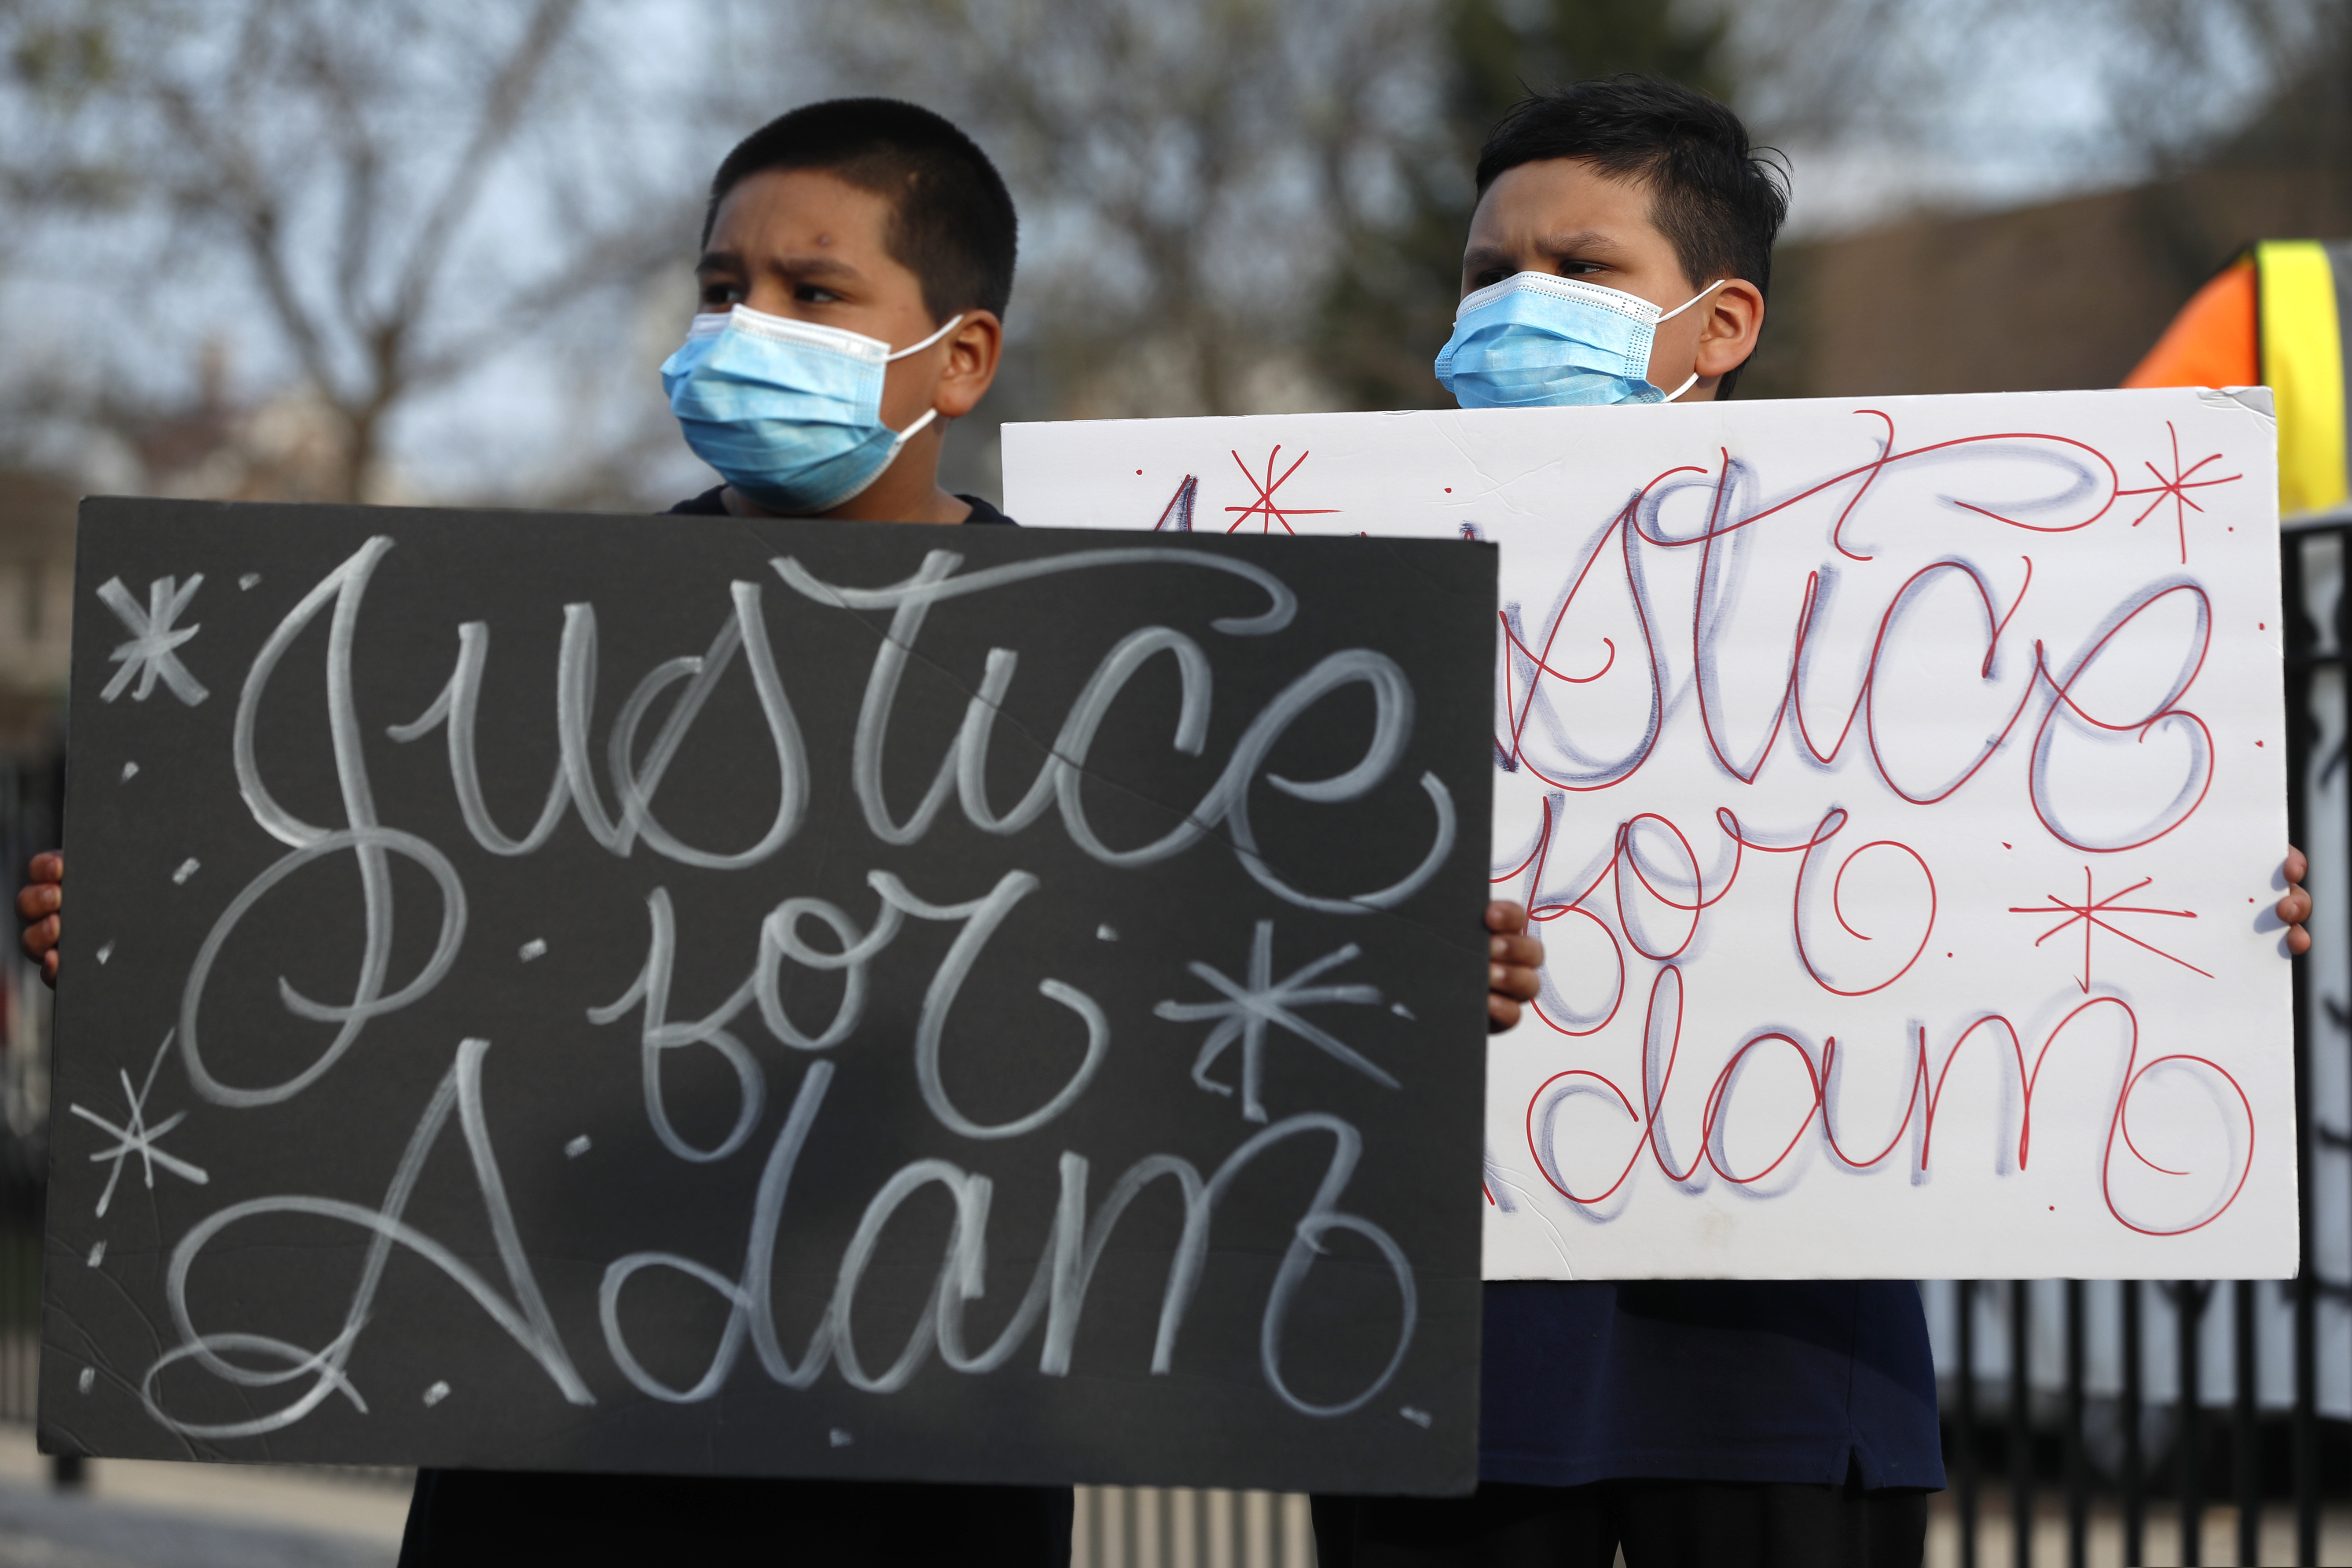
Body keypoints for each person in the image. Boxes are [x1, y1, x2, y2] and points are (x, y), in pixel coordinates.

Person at [18, 95, 1548, 1565]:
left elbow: (1205, 1025)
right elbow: (374, 1000)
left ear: (963, 359)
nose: (746, 330)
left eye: (815, 291)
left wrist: (1410, 978)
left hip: (934, 1463)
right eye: (721, 286)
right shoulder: (518, 648)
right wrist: (152, 935)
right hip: (548, 1467)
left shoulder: (1137, 676)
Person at [1306, 76, 2317, 1568]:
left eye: (1583, 271)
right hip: (1442, 1364)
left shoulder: (1911, 592)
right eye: (1489, 273)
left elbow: (2037, 866)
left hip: (1786, 1365)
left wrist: (2206, 913)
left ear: (1722, 327)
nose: (1520, 302)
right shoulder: (1336, 575)